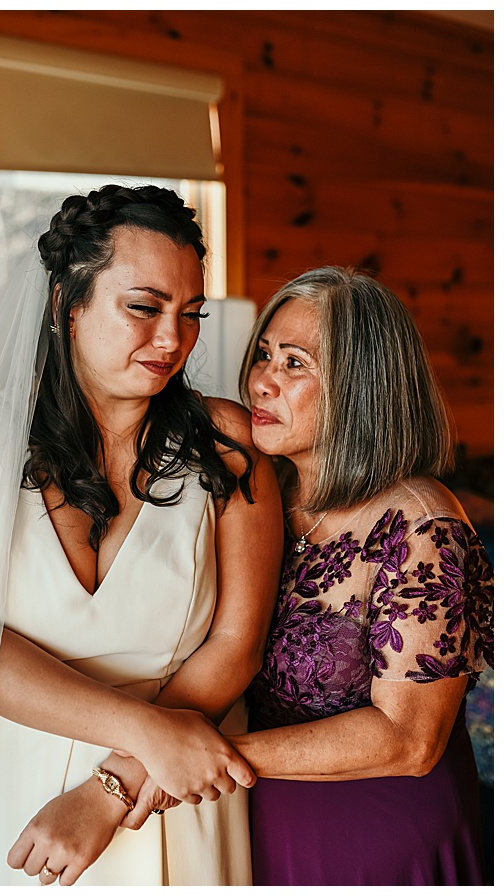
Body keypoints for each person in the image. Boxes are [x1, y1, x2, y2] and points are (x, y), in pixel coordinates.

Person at [0, 185, 282, 884]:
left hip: (169, 797)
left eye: (190, 314)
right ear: (67, 304)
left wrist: (110, 788)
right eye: (143, 307)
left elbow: (237, 645)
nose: (173, 339)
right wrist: (144, 733)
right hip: (19, 801)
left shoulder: (228, 440)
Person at [226, 266, 492, 884]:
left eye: (295, 364)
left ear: (360, 388)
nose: (262, 380)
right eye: (264, 354)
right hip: (256, 817)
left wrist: (199, 757)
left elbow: (409, 740)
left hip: (373, 834)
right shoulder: (263, 493)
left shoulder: (422, 524)